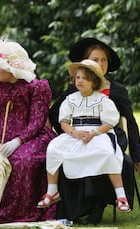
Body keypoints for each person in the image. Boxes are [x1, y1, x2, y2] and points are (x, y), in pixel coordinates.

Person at [49, 37, 140, 224]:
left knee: (106, 156)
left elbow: (131, 123)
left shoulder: (117, 90)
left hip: (110, 136)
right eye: (95, 60)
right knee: (72, 155)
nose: (100, 64)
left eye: (104, 60)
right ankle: (76, 208)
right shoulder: (75, 88)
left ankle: (97, 207)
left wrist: (138, 157)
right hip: (80, 135)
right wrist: (70, 133)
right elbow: (55, 114)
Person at [0, 38, 57, 224]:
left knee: (21, 161)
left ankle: (17, 212)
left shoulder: (36, 88)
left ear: (10, 68)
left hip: (31, 137)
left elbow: (37, 121)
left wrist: (18, 141)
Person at [37, 59, 130, 213]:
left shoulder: (102, 100)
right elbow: (64, 122)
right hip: (76, 133)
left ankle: (121, 195)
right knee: (53, 148)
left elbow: (110, 121)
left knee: (108, 153)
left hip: (98, 132)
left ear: (93, 81)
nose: (80, 81)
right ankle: (52, 190)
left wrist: (95, 133)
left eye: (84, 78)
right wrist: (75, 133)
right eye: (77, 77)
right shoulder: (70, 99)